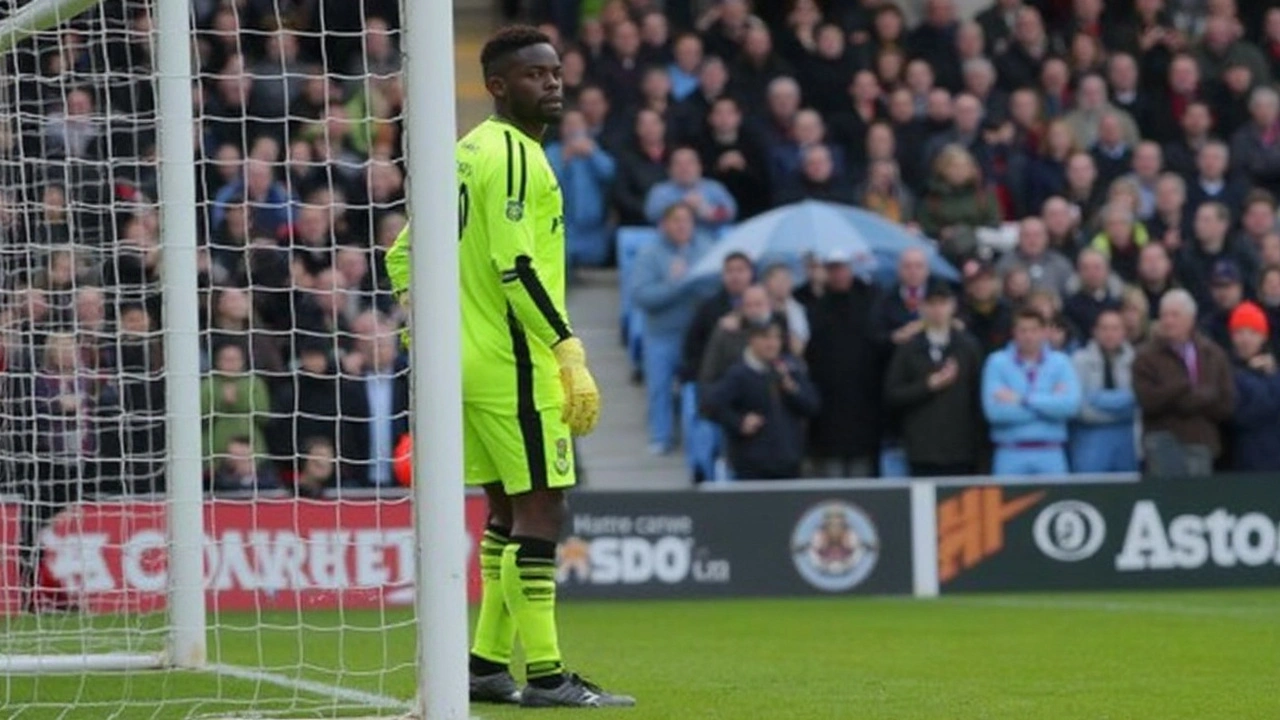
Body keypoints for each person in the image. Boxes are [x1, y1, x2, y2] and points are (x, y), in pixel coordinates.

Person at [383, 28, 630, 707]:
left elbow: (402, 255)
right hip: (511, 360)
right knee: (544, 507)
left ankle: (487, 666)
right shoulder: (518, 157)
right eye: (533, 75)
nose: (551, 84)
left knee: (504, 511)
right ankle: (548, 676)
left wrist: (425, 327)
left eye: (555, 73)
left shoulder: (462, 153)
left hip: (461, 364)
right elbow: (516, 267)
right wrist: (566, 349)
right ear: (496, 85)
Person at [630, 203, 713, 455]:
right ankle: (661, 436)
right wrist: (676, 285)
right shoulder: (649, 254)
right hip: (662, 334)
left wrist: (690, 283)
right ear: (664, 224)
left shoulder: (706, 248)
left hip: (699, 336)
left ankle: (701, 441)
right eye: (675, 220)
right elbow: (642, 296)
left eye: (686, 220)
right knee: (660, 387)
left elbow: (714, 287)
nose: (681, 225)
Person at [1133, 289, 1235, 478]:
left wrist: (1184, 397)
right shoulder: (1146, 356)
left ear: (1191, 318)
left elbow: (1225, 402)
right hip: (1161, 441)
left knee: (1197, 503)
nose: (1169, 321)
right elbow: (1147, 400)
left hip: (1202, 440)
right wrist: (1184, 388)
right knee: (1167, 501)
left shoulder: (1212, 354)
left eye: (1175, 315)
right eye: (1164, 315)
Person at [885, 282, 984, 476]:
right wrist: (927, 386)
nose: (937, 310)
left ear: (952, 306)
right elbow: (892, 394)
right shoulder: (909, 348)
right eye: (931, 304)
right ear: (922, 308)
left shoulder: (968, 346)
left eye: (942, 303)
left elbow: (977, 397)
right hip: (921, 450)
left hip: (961, 450)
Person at [703, 320, 820, 479]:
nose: (772, 344)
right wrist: (739, 422)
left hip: (789, 462)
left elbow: (812, 406)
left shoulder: (790, 369)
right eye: (766, 338)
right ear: (752, 340)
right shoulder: (740, 374)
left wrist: (792, 389)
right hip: (753, 466)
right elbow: (710, 406)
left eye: (776, 338)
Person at [981, 307, 1082, 476]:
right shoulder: (996, 362)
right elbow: (994, 412)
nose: (1028, 336)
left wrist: (1023, 400)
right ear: (1014, 333)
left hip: (1051, 451)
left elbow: (1070, 406)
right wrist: (1049, 404)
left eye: (1034, 330)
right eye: (1023, 331)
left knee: (1055, 501)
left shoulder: (1061, 362)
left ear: (1044, 332)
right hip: (1010, 452)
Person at [1070, 309, 1139, 473]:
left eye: (1115, 328)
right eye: (1104, 328)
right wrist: (1121, 408)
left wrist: (1097, 400)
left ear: (1124, 332)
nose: (1110, 334)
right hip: (1089, 439)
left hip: (1127, 440)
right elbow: (1079, 407)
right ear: (1095, 331)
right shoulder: (1079, 360)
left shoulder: (1136, 360)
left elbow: (1139, 403)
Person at [1226, 302, 1280, 472]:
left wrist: (1273, 376)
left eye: (1252, 333)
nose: (1245, 339)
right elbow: (1239, 416)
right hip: (1244, 463)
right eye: (1239, 332)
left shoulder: (1273, 373)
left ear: (1263, 337)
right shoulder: (1227, 371)